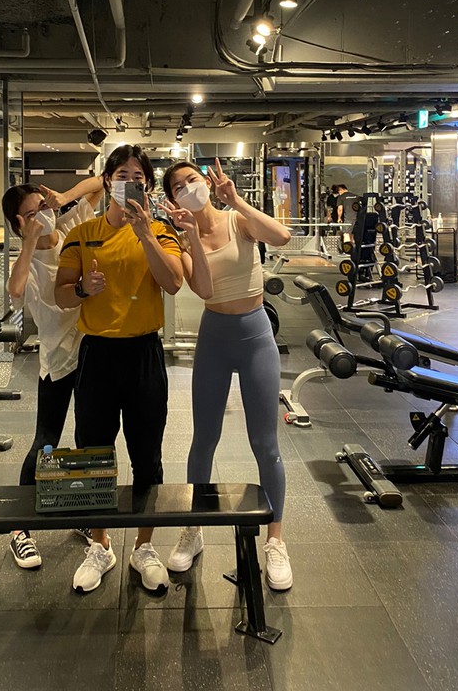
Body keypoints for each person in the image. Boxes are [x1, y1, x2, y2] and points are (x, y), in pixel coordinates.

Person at [55, 145, 183, 595]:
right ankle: (100, 543)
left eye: (138, 176)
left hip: (144, 353)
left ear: (147, 185)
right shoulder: (82, 233)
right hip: (98, 355)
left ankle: (144, 547)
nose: (130, 181)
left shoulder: (161, 230)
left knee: (147, 455)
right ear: (107, 180)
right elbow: (60, 295)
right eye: (122, 174)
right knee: (92, 452)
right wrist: (83, 289)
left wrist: (145, 232)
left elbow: (173, 282)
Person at [161, 157, 294, 590]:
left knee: (265, 443)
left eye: (192, 179)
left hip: (255, 335)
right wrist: (191, 237)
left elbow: (282, 236)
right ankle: (193, 529)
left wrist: (235, 200)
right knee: (203, 440)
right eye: (178, 186)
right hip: (214, 337)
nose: (189, 188)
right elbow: (204, 289)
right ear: (172, 198)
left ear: (206, 181)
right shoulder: (183, 240)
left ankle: (275, 540)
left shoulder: (238, 221)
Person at [1, 175, 104, 570]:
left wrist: (64, 198)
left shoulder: (70, 226)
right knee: (45, 442)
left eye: (42, 207)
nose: (42, 216)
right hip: (57, 361)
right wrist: (28, 242)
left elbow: (100, 183)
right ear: (18, 223)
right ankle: (19, 528)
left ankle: (83, 516)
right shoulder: (27, 262)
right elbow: (15, 290)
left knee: (88, 441)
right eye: (31, 214)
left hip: (91, 352)